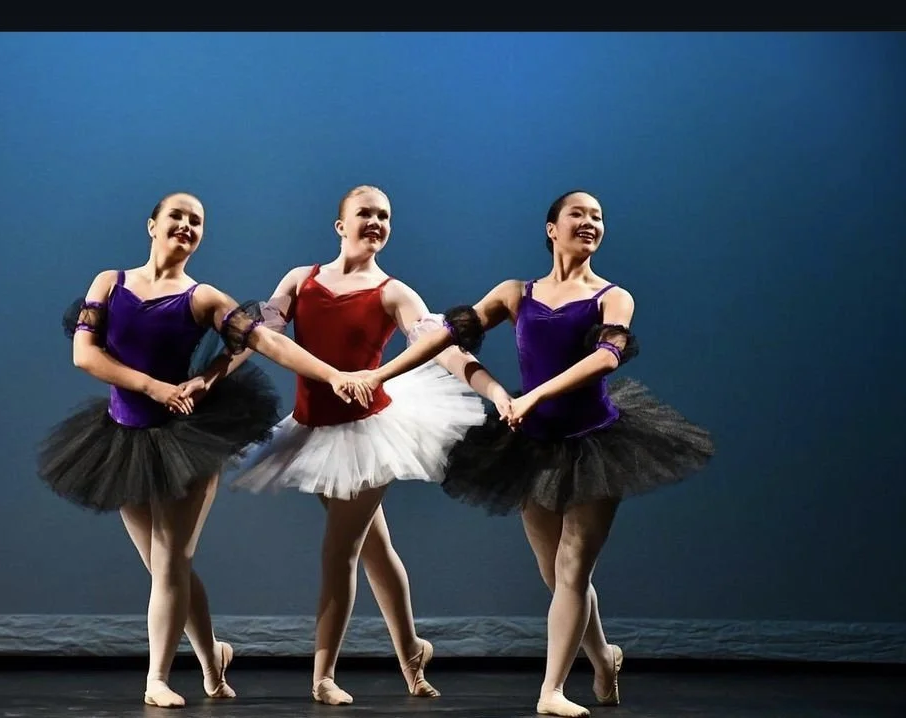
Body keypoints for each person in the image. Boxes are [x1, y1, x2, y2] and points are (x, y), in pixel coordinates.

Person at [357, 190, 715, 717]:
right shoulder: (514, 294)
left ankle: (551, 691)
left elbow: (607, 357)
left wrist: (537, 394)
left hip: (596, 442)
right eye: (578, 214)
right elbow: (447, 339)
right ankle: (604, 659)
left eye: (598, 217)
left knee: (573, 570)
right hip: (531, 446)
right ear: (552, 228)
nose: (590, 222)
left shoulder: (612, 297)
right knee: (555, 575)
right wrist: (391, 374)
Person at [37, 191, 374, 708]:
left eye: (197, 222)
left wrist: (333, 374)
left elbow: (267, 342)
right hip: (120, 436)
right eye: (177, 217)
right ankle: (213, 658)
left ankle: (156, 677)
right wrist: (155, 388)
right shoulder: (110, 283)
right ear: (152, 224)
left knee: (173, 561)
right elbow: (85, 354)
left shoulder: (204, 299)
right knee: (161, 567)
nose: (187, 226)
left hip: (185, 440)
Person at [217, 185, 493, 705]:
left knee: (339, 551)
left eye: (384, 216)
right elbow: (260, 335)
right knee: (374, 547)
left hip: (368, 433)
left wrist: (481, 384)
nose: (375, 222)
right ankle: (413, 652)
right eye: (364, 213)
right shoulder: (301, 280)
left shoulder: (394, 292)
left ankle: (323, 674)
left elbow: (431, 339)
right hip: (311, 428)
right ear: (339, 225)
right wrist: (211, 376)